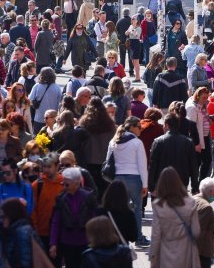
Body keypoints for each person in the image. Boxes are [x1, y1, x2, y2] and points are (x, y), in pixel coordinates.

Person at [149, 166, 202, 268]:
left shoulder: (158, 206)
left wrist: (153, 260)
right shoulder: (191, 203)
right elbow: (196, 231)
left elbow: (156, 236)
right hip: (186, 254)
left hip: (165, 255)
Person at [105, 117, 149, 247]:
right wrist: (145, 184)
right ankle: (138, 238)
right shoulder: (137, 142)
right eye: (138, 126)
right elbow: (142, 165)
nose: (141, 129)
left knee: (118, 208)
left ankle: (118, 237)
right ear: (131, 127)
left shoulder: (113, 141)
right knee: (136, 209)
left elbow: (108, 161)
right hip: (134, 178)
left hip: (117, 179)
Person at [49, 166, 98, 268]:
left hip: (85, 242)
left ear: (76, 183)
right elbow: (55, 222)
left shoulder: (88, 197)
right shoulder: (61, 199)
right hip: (68, 243)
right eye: (63, 184)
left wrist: (96, 241)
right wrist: (53, 243)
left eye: (67, 184)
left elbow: (95, 220)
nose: (64, 187)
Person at [76, 97, 117, 196]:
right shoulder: (110, 123)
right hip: (104, 159)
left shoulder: (84, 122)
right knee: (104, 186)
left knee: (90, 186)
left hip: (89, 159)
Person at [148, 113, 197, 191]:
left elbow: (152, 165)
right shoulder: (188, 142)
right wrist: (195, 187)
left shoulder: (158, 141)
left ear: (166, 125)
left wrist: (151, 186)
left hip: (162, 182)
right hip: (181, 182)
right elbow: (193, 166)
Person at [0, 197, 37, 268]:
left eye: (3, 216)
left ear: (12, 215)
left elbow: (26, 266)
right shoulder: (13, 231)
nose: (1, 220)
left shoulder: (22, 233)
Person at [30, 153, 64, 247]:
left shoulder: (64, 183)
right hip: (42, 233)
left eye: (49, 167)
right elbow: (32, 209)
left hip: (61, 233)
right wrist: (36, 227)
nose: (46, 170)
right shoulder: (37, 185)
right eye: (44, 167)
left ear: (57, 166)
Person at [194, 178, 214, 268]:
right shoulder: (207, 208)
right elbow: (198, 233)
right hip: (201, 254)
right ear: (210, 191)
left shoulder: (192, 199)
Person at [29, 67, 62, 132]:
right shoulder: (57, 88)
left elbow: (30, 100)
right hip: (52, 119)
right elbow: (60, 104)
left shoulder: (37, 86)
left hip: (39, 118)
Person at [125, 16, 143, 81]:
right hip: (131, 43)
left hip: (136, 43)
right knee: (132, 60)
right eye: (132, 19)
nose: (133, 20)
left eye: (134, 19)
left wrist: (133, 31)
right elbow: (126, 33)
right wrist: (128, 31)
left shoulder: (139, 28)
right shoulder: (130, 26)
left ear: (137, 21)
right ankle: (137, 75)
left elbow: (137, 36)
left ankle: (138, 77)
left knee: (136, 61)